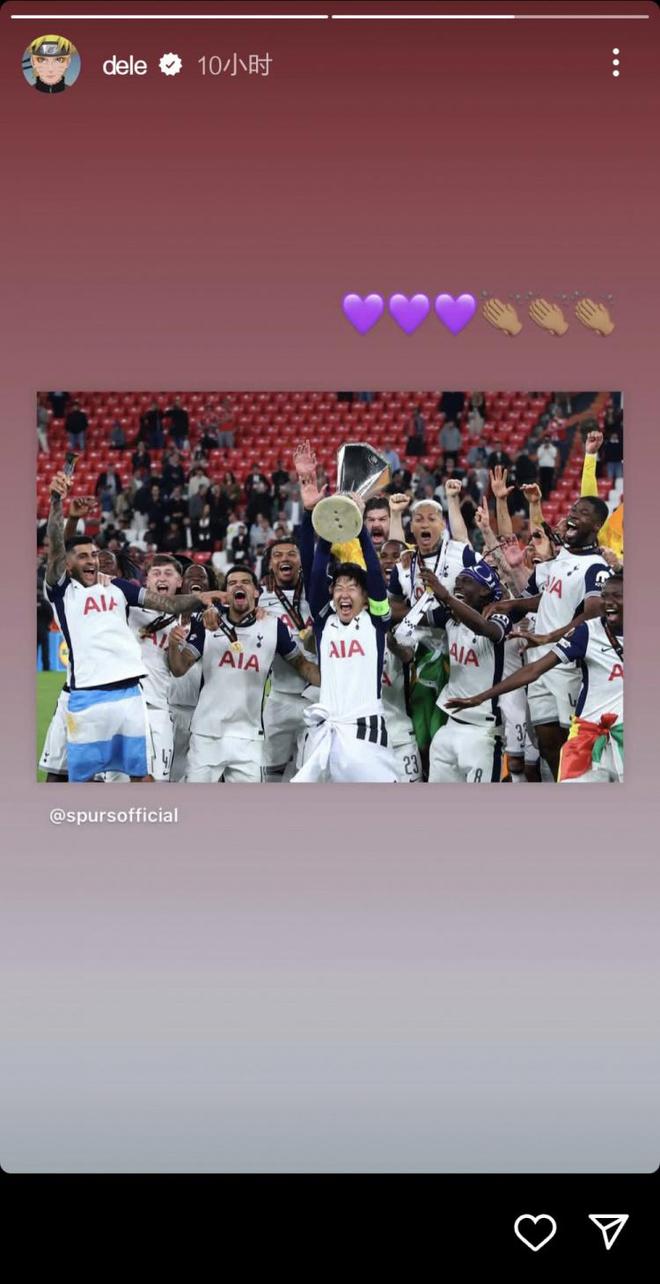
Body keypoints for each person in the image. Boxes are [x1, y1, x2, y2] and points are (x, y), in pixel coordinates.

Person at [43, 471, 220, 781]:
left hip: (130, 695)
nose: (95, 562)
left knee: (141, 778)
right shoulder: (64, 592)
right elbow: (59, 550)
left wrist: (205, 598)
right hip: (83, 694)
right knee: (76, 778)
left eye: (97, 557)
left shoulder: (120, 592)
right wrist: (58, 504)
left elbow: (171, 605)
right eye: (86, 557)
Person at [447, 572, 623, 784]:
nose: (608, 602)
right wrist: (481, 697)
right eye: (604, 596)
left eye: (617, 596)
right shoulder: (587, 632)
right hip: (588, 736)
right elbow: (534, 670)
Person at [492, 496, 611, 778]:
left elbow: (592, 614)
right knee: (546, 744)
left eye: (582, 513)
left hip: (567, 668)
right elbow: (548, 599)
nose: (573, 515)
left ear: (596, 525)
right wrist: (510, 605)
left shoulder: (596, 567)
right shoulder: (562, 559)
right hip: (538, 664)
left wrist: (550, 637)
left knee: (574, 745)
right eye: (573, 510)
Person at [168, 566, 319, 782]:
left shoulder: (273, 626)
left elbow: (302, 665)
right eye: (232, 583)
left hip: (249, 738)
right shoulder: (207, 624)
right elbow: (179, 668)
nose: (238, 585)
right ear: (226, 593)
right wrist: (174, 645)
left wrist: (333, 681)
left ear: (256, 592)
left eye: (245, 582)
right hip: (207, 735)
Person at [291, 484, 398, 783]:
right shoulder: (325, 622)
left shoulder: (376, 621)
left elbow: (374, 573)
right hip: (327, 732)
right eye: (338, 587)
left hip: (366, 729)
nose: (344, 593)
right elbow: (314, 572)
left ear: (365, 597)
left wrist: (359, 525)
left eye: (352, 587)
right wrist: (318, 518)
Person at [418, 564, 513, 783]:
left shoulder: (500, 619)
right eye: (457, 581)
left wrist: (447, 597)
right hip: (449, 726)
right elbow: (404, 616)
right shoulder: (449, 617)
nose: (458, 585)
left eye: (467, 581)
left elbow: (485, 629)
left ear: (485, 590)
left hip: (484, 732)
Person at [259, 538, 315, 781]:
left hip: (316, 699)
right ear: (269, 565)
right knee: (271, 773)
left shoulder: (318, 592)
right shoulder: (259, 599)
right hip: (280, 697)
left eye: (291, 554)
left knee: (310, 774)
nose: (285, 558)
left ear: (301, 561)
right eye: (278, 555)